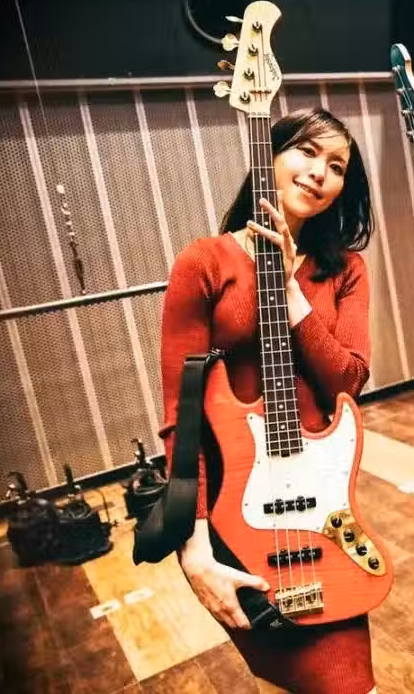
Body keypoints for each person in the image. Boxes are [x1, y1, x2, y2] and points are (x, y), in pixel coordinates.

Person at [159, 108, 377, 694]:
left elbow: (348, 381)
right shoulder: (204, 263)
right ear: (269, 154)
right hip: (234, 516)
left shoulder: (345, 270)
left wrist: (288, 288)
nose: (320, 173)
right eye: (306, 151)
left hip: (320, 510)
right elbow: (180, 417)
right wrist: (194, 552)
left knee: (348, 682)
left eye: (337, 166)